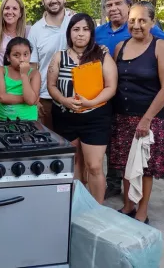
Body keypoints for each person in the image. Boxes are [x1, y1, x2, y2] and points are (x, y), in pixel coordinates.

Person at [96, 0, 164, 199]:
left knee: (144, 160)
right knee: (117, 148)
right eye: (109, 5)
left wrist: (156, 74)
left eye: (118, 4)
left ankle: (136, 202)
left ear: (128, 6)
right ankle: (115, 185)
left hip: (143, 104)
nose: (114, 8)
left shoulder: (148, 31)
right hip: (110, 98)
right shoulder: (100, 32)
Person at [110, 1, 164, 224]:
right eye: (132, 21)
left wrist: (146, 119)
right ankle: (128, 205)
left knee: (145, 168)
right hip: (122, 117)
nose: (136, 25)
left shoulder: (161, 47)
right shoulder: (120, 47)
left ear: (152, 23)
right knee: (126, 164)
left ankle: (142, 210)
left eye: (142, 20)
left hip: (149, 119)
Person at [47, 13, 117, 203]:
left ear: (91, 33)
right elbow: (51, 86)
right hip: (65, 117)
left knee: (94, 166)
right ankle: (76, 206)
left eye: (85, 29)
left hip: (95, 118)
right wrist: (64, 100)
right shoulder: (59, 57)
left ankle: (97, 209)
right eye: (76, 29)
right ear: (69, 32)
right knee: (74, 164)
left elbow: (111, 87)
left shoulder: (101, 56)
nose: (80, 34)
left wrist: (91, 103)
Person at [28, 0, 73, 130]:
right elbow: (32, 68)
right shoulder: (36, 30)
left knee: (74, 147)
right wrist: (35, 99)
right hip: (46, 98)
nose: (54, 0)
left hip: (76, 95)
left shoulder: (76, 22)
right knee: (50, 144)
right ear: (43, 1)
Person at [0, 37, 40, 121]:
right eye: (16, 55)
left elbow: (30, 101)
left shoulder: (34, 73)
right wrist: (27, 99)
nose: (22, 59)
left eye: (26, 54)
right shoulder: (2, 71)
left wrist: (24, 75)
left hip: (28, 120)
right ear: (8, 57)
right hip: (4, 120)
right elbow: (2, 98)